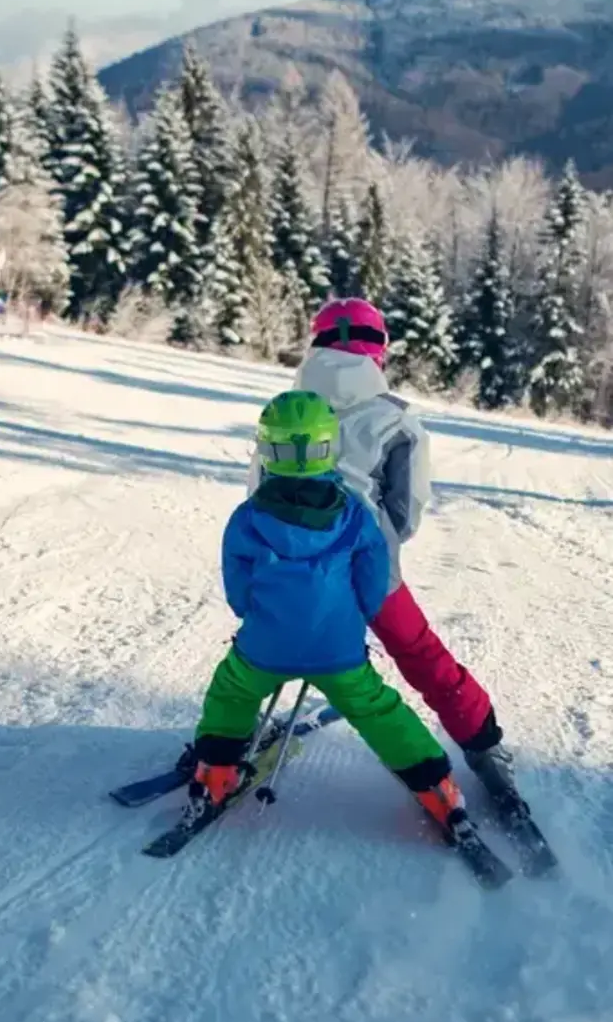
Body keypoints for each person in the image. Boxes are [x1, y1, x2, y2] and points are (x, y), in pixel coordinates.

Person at [247, 296, 519, 809]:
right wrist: (375, 544)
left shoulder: (285, 412)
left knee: (264, 641)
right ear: (380, 353)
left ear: (316, 344)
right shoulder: (396, 420)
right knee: (419, 651)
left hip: (288, 563)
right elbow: (406, 513)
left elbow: (257, 492)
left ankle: (232, 731)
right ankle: (484, 746)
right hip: (368, 565)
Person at [189, 388, 475, 843]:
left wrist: (254, 613)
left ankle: (216, 771)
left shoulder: (247, 518)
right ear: (329, 446)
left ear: (268, 447)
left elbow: (238, 588)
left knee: (233, 691)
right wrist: (353, 618)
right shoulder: (356, 515)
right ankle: (436, 785)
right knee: (380, 711)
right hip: (338, 653)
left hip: (264, 648)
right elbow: (373, 578)